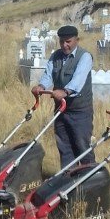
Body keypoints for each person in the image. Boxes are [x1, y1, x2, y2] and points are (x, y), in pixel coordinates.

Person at [32, 24, 95, 168]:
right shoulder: (56, 56)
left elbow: (78, 80)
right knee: (64, 147)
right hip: (61, 109)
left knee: (82, 146)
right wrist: (41, 87)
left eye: (68, 41)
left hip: (80, 111)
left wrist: (65, 92)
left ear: (76, 40)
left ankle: (89, 181)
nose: (64, 45)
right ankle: (68, 179)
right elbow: (48, 75)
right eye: (62, 41)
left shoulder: (84, 57)